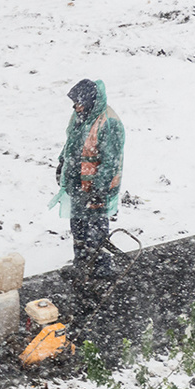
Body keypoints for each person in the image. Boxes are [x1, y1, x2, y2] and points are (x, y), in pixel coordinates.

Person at [55, 78, 125, 280]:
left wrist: (99, 191)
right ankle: (82, 266)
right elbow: (72, 142)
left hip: (95, 190)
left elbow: (110, 161)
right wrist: (63, 162)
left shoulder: (108, 123)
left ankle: (101, 272)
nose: (75, 106)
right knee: (78, 227)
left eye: (79, 102)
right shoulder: (81, 115)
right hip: (78, 186)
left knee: (95, 232)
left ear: (90, 102)